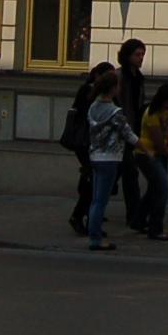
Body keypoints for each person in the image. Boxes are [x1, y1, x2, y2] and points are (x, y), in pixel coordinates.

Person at [84, 68, 141, 252]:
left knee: (95, 199)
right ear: (113, 88)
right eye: (118, 86)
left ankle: (93, 233)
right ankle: (95, 238)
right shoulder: (115, 112)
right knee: (101, 200)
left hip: (94, 155)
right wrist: (144, 146)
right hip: (109, 158)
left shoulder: (93, 107)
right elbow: (128, 134)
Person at [63, 59, 112, 237]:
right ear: (98, 76)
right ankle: (79, 215)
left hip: (90, 142)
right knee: (92, 179)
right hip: (85, 142)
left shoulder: (99, 93)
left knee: (92, 178)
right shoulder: (89, 92)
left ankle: (90, 216)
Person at [132, 82, 168, 241]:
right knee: (162, 189)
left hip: (158, 154)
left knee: (154, 188)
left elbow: (165, 131)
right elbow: (157, 139)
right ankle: (155, 228)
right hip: (147, 154)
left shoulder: (165, 112)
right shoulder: (151, 114)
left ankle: (138, 220)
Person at [116, 38, 149, 232]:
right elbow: (118, 103)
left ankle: (134, 216)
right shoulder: (120, 76)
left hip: (134, 130)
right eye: (137, 54)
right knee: (129, 173)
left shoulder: (139, 77)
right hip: (121, 131)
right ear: (127, 55)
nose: (141, 58)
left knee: (128, 173)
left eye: (142, 54)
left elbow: (139, 104)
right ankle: (134, 216)